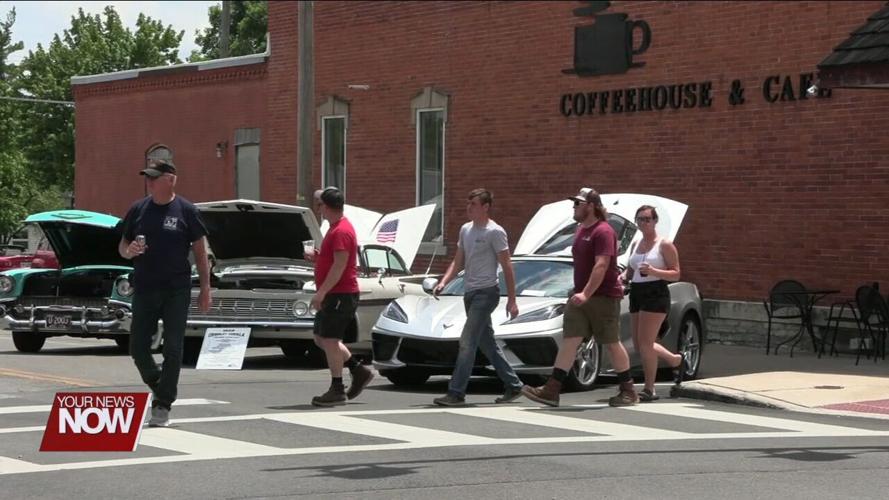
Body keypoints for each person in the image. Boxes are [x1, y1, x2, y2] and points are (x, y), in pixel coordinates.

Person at [522, 187, 638, 407]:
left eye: (578, 203)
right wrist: (577, 291)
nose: (574, 207)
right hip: (580, 296)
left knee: (612, 342)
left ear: (591, 206)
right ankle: (552, 390)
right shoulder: (580, 230)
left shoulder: (603, 231)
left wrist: (586, 293)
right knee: (570, 340)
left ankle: (628, 390)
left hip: (603, 297)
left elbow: (601, 265)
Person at [118, 159, 212, 427]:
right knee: (137, 346)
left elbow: (200, 252)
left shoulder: (186, 210)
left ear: (170, 179)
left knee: (173, 346)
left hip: (176, 289)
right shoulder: (138, 209)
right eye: (147, 177)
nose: (148, 182)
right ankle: (158, 383)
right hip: (145, 287)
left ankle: (162, 404)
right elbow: (123, 245)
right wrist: (129, 251)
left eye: (153, 177)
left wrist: (205, 288)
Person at [432, 188, 524, 406]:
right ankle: (514, 385)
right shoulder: (466, 230)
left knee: (467, 341)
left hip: (487, 293)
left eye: (473, 204)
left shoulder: (495, 232)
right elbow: (458, 260)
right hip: (470, 293)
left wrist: (512, 300)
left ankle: (456, 393)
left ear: (485, 207)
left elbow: (507, 266)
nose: (469, 208)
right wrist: (444, 281)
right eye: (468, 203)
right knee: (487, 343)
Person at [306, 187, 374, 407]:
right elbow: (332, 262)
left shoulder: (342, 230)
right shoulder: (334, 229)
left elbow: (340, 266)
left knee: (330, 340)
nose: (319, 210)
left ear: (326, 206)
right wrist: (317, 258)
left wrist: (321, 292)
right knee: (320, 338)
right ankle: (358, 369)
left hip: (340, 294)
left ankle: (337, 389)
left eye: (320, 206)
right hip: (334, 293)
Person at [625, 205, 685, 401]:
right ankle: (675, 359)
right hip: (636, 292)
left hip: (656, 292)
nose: (643, 223)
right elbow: (630, 270)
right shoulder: (636, 243)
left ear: (655, 221)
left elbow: (676, 273)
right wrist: (622, 278)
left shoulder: (664, 244)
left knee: (646, 344)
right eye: (640, 219)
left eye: (647, 219)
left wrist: (654, 271)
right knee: (638, 343)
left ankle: (649, 389)